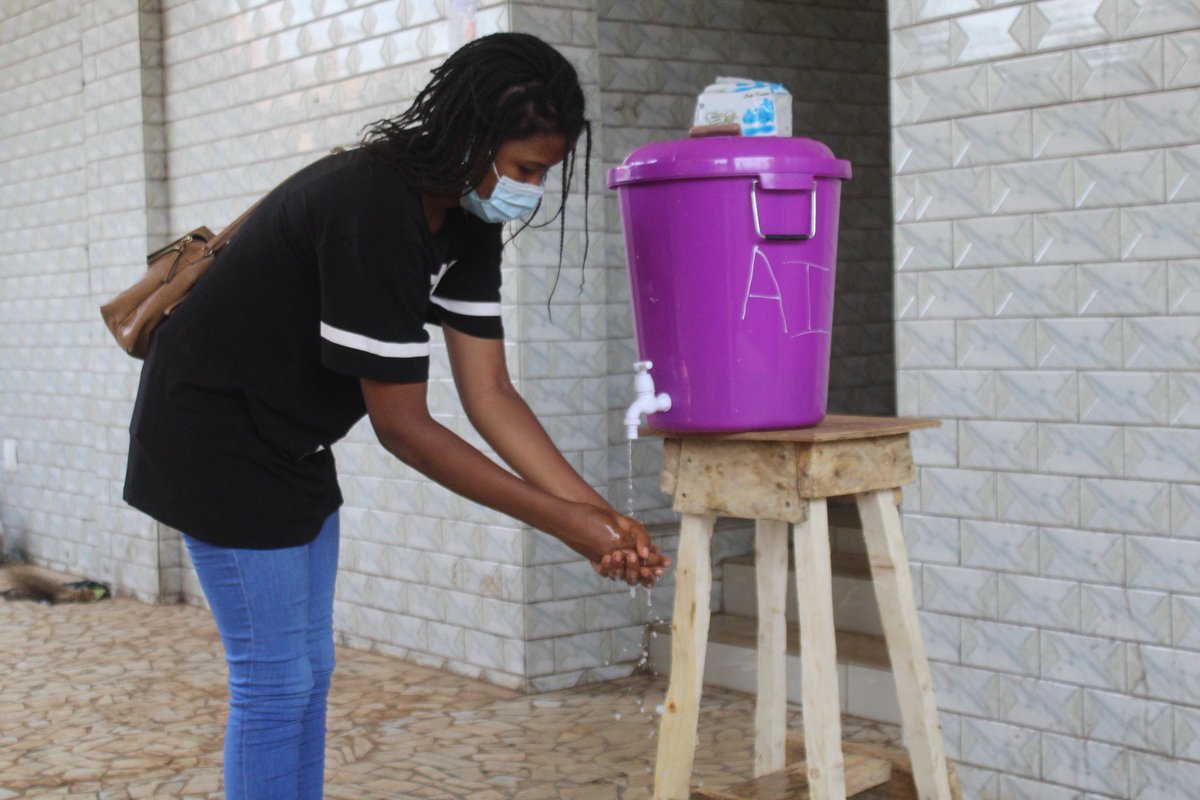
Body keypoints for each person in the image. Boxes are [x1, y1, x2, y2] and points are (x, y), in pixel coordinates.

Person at [123, 32, 669, 800]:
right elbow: (404, 427)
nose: (530, 190)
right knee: (275, 680)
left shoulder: (468, 217)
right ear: (473, 136)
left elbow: (491, 396)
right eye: (523, 168)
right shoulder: (370, 204)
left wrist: (598, 516)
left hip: (294, 443)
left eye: (542, 173)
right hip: (211, 438)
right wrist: (565, 525)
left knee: (310, 669)